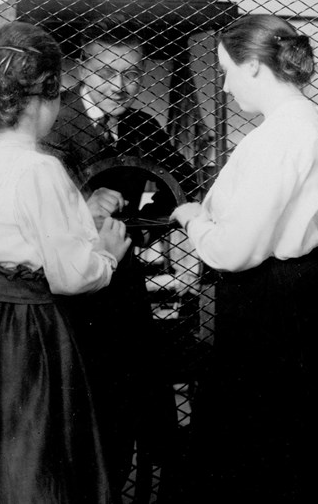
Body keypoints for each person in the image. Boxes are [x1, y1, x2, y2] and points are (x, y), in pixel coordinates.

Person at [0, 22, 129, 504]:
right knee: (37, 452)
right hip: (35, 336)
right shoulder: (41, 169)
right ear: (49, 96)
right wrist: (107, 256)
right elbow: (72, 275)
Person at [170, 15, 318, 503]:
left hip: (267, 306)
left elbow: (234, 250)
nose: (225, 86)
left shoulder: (278, 138)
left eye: (228, 71)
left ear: (254, 67)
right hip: (309, 293)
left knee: (253, 449)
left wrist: (192, 220)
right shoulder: (317, 124)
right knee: (303, 442)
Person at [41, 36, 189, 492]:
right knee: (77, 412)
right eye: (108, 73)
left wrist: (158, 213)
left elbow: (179, 181)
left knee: (132, 400)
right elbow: (28, 208)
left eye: (132, 74)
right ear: (81, 69)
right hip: (61, 289)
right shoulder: (49, 124)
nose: (122, 85)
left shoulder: (143, 124)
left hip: (123, 281)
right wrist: (81, 202)